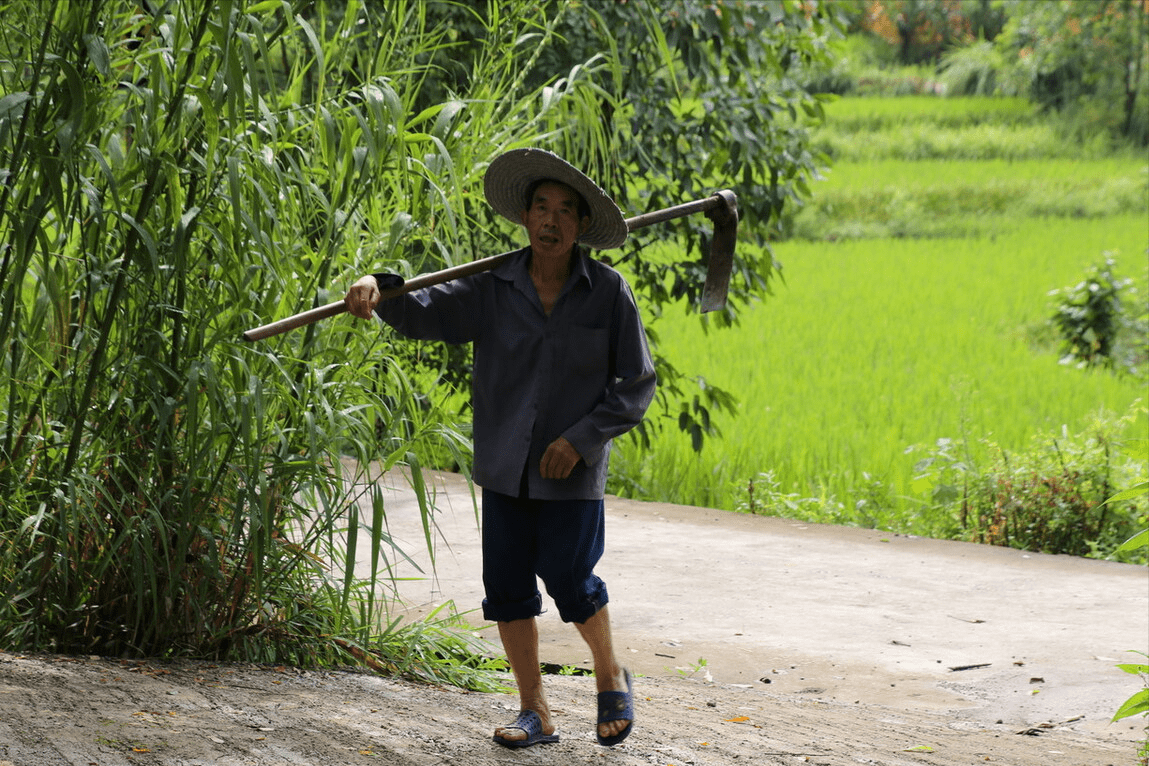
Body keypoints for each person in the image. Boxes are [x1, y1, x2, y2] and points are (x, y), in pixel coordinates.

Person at [344, 148, 657, 749]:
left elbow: (637, 385)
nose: (551, 219)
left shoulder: (608, 294)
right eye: (541, 206)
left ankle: (609, 671)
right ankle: (534, 710)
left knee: (571, 578)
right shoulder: (493, 286)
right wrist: (377, 286)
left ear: (581, 226)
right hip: (506, 465)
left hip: (571, 472)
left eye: (566, 210)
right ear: (524, 216)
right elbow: (423, 311)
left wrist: (581, 439)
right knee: (509, 584)